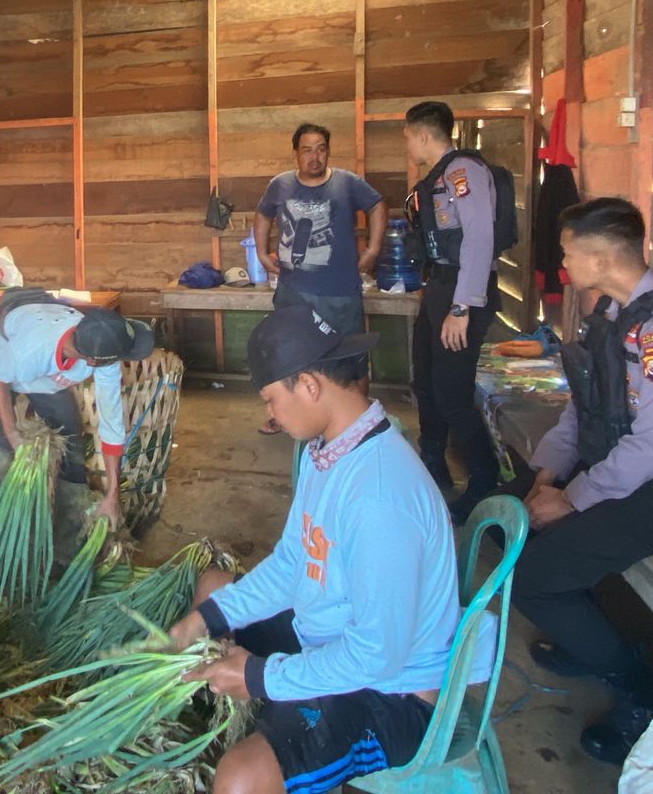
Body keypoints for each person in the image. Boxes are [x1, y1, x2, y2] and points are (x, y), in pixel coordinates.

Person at [168, 305, 487, 794]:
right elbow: (292, 562)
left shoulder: (378, 497)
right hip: (330, 632)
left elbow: (376, 656)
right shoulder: (331, 452)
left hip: (391, 692)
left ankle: (265, 741)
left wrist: (262, 677)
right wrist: (205, 620)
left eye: (271, 399)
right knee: (213, 592)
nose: (269, 414)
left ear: (308, 385)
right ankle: (247, 717)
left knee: (240, 779)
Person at [514, 198, 653, 764]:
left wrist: (571, 498)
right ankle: (589, 641)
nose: (563, 264)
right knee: (520, 520)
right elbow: (582, 412)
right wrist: (546, 478)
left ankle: (643, 689)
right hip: (630, 476)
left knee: (533, 579)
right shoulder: (615, 318)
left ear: (600, 258)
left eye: (567, 253)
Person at [0, 301, 155, 554]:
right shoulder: (30, 350)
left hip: (45, 376)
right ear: (91, 361)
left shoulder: (101, 347)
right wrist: (12, 433)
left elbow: (111, 421)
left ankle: (67, 542)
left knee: (71, 446)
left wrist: (112, 495)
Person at [403, 100, 502, 523]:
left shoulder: (464, 172)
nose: (408, 145)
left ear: (424, 135)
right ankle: (432, 461)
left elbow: (479, 239)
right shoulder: (436, 177)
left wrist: (462, 306)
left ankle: (484, 481)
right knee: (425, 380)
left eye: (408, 137)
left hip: (463, 293)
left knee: (452, 393)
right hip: (441, 286)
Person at [254, 121, 387, 433]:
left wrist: (373, 248)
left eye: (321, 149)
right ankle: (285, 415)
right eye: (307, 150)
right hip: (292, 292)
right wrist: (261, 252)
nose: (314, 157)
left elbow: (378, 205)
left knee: (352, 359)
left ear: (328, 152)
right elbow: (263, 213)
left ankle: (356, 425)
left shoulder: (347, 183)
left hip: (339, 292)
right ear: (295, 154)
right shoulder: (280, 185)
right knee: (289, 357)